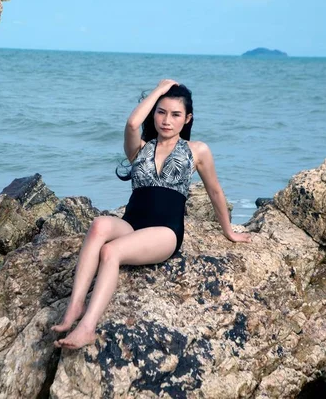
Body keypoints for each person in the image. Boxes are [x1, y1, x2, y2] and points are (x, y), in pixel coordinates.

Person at [51, 79, 252, 349]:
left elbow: (215, 192)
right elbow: (133, 124)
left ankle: (87, 327)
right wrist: (158, 90)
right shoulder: (140, 148)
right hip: (132, 225)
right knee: (99, 225)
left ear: (187, 118)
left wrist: (229, 231)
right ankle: (75, 307)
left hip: (165, 232)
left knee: (111, 252)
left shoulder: (197, 151)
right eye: (161, 112)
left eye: (175, 114)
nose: (167, 120)